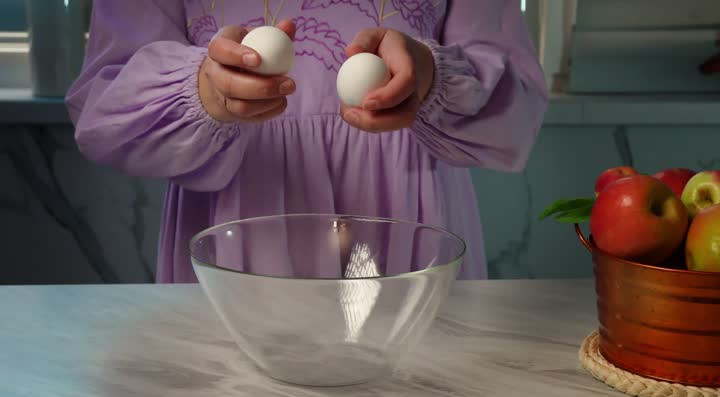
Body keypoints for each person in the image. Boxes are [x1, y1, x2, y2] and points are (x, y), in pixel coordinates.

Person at [66, 0, 549, 282]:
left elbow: (517, 108)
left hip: (408, 228)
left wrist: (430, 77)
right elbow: (104, 107)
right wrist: (205, 90)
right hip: (237, 230)